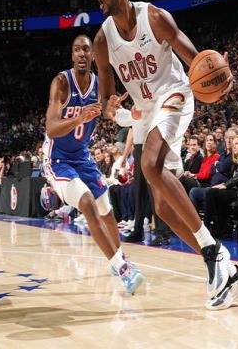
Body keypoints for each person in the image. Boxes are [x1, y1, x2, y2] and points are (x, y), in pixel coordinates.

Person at [93, 0, 238, 310]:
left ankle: (214, 254)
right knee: (163, 207)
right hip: (146, 111)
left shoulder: (155, 18)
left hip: (175, 94)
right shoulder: (103, 39)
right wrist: (111, 107)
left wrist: (220, 77)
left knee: (150, 165)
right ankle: (221, 263)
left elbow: (196, 61)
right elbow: (106, 100)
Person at [42, 34, 144, 294]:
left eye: (86, 50)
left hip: (82, 156)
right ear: (72, 55)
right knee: (87, 203)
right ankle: (123, 269)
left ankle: (119, 258)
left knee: (106, 208)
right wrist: (79, 118)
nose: (82, 54)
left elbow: (109, 113)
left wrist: (126, 114)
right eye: (77, 49)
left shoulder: (100, 85)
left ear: (93, 55)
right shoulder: (61, 82)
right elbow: (51, 128)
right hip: (57, 159)